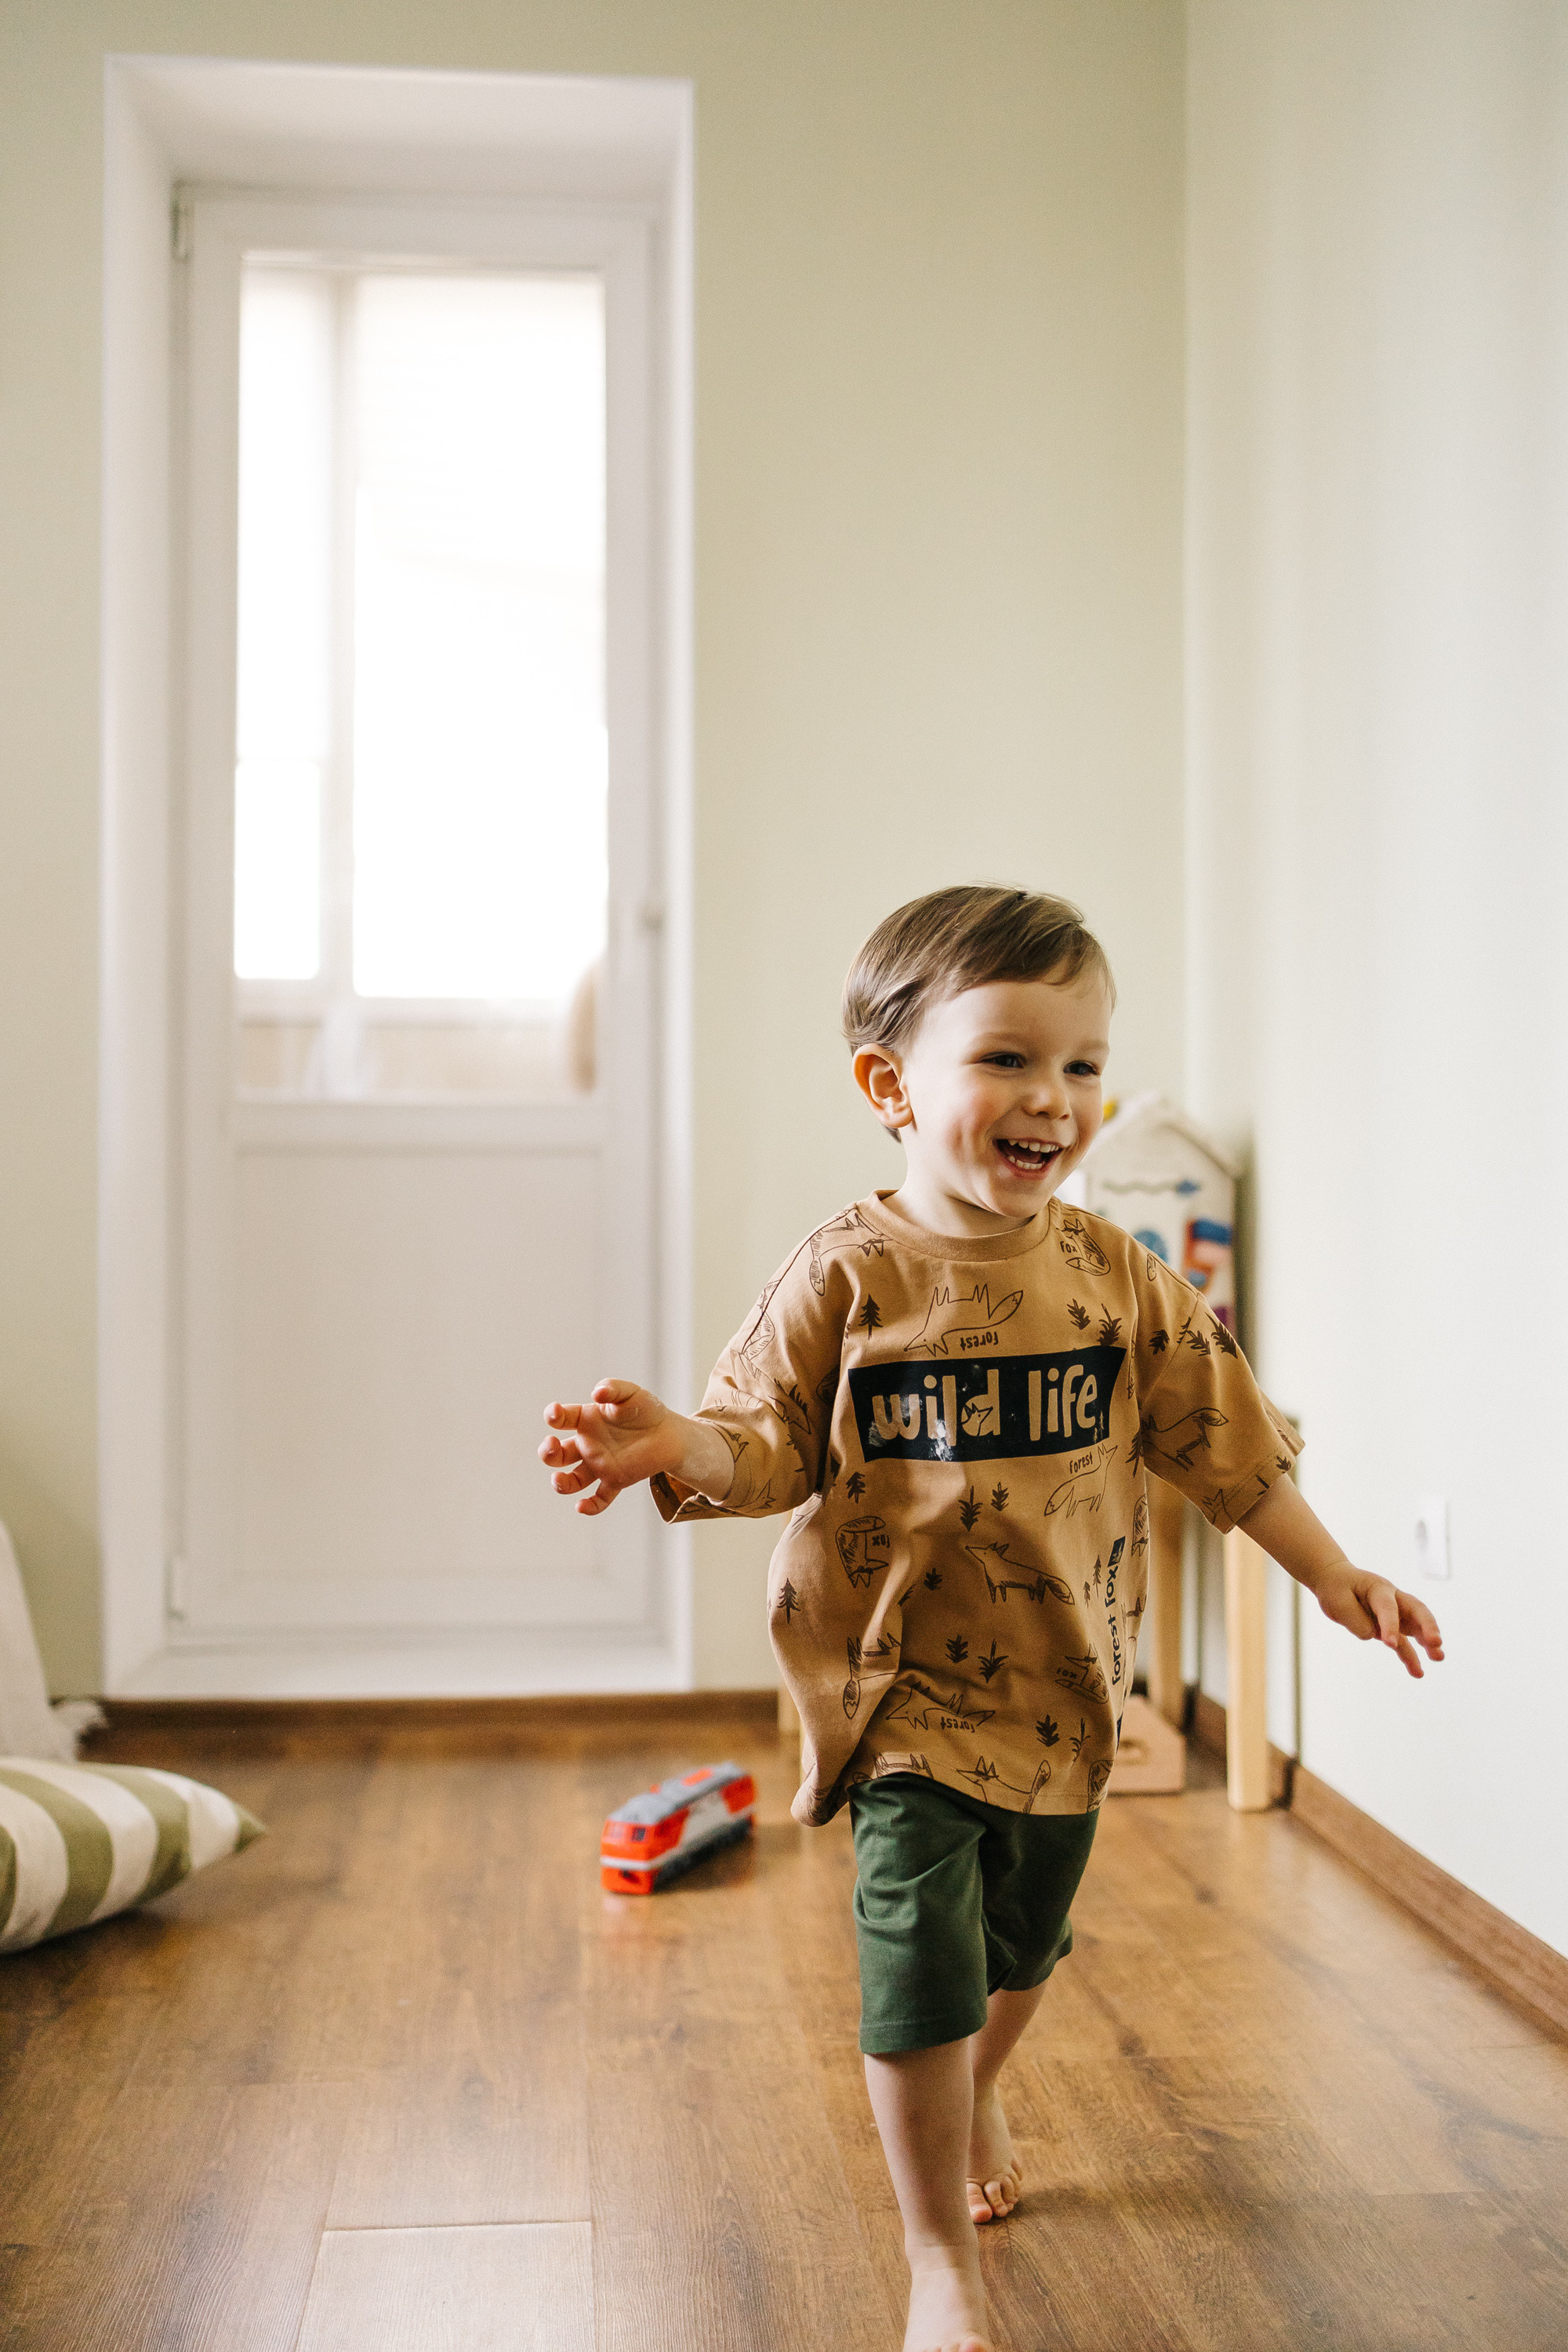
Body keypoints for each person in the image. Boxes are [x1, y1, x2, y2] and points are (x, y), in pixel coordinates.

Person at [539, 883, 1444, 2352]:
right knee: (918, 1963)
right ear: (890, 1086)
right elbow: (759, 1439)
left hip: (1066, 1694)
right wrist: (678, 1449)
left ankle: (984, 2081)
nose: (1056, 1100)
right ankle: (937, 2259)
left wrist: (1334, 1570)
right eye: (1009, 1060)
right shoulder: (846, 1275)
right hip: (897, 1694)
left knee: (1021, 1954)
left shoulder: (1117, 1280)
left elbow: (1225, 1440)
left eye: (1083, 1065)